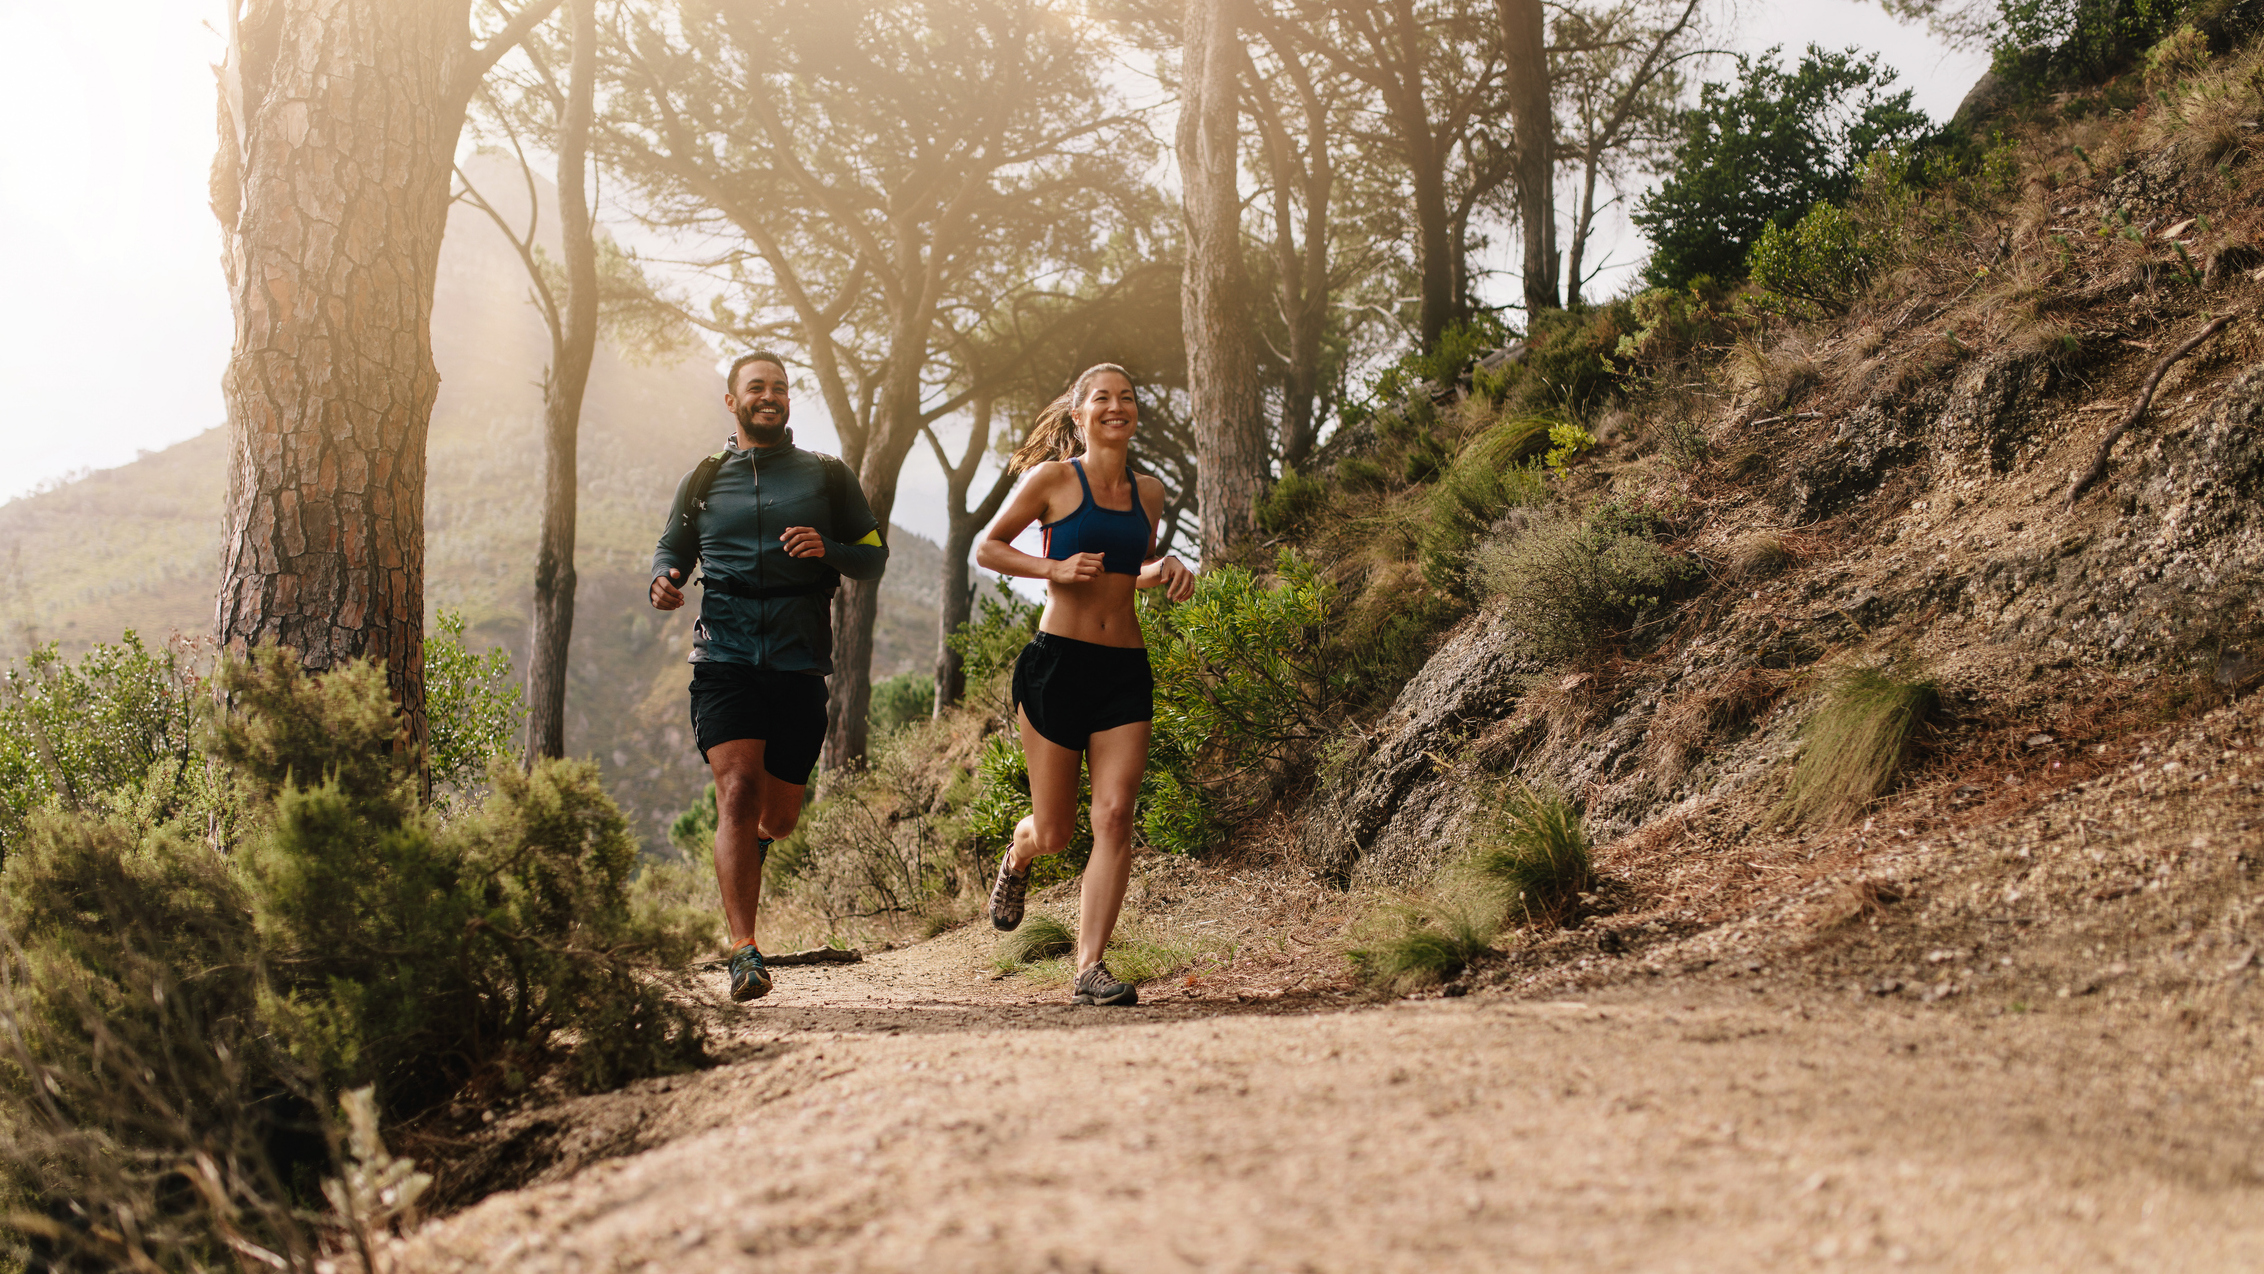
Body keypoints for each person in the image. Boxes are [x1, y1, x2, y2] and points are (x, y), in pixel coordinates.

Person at [650, 351, 888, 1002]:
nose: (769, 396)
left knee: (778, 819)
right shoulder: (704, 479)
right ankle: (744, 951)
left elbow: (873, 559)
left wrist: (829, 548)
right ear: (733, 401)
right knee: (736, 792)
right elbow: (674, 547)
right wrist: (664, 581)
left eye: (779, 388)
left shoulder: (826, 476)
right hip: (722, 655)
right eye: (756, 387)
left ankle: (754, 848)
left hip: (798, 658)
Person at [976, 363, 1196, 1006]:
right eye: (1102, 399)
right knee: (1055, 833)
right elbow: (988, 549)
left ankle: (1089, 968)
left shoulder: (1149, 493)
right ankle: (1018, 856)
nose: (1116, 407)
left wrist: (1169, 568)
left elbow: (1130, 573)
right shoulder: (1051, 480)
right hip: (1057, 667)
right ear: (1079, 415)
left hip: (1123, 669)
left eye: (1127, 398)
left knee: (1116, 816)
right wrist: (1055, 566)